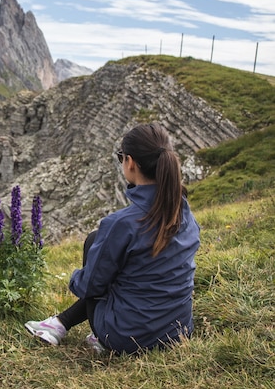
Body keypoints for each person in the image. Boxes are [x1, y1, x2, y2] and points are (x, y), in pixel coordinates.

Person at [25, 122, 200, 354]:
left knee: (93, 243)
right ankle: (59, 324)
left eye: (121, 157)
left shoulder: (121, 224)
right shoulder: (185, 213)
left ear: (130, 162)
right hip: (177, 331)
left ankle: (77, 331)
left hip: (127, 338)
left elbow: (89, 286)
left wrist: (75, 277)